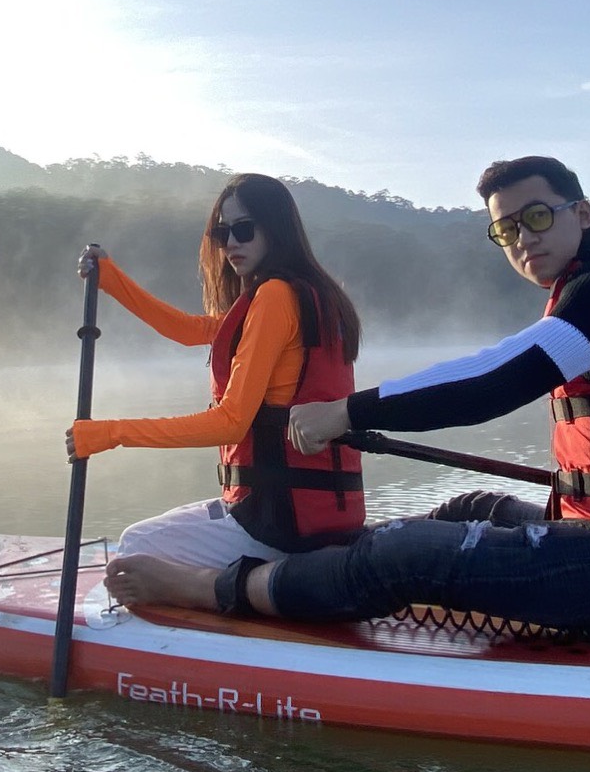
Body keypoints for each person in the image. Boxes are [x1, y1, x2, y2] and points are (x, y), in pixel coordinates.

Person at [105, 155, 590, 636]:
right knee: (468, 508)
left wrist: (349, 411)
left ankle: (212, 587)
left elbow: (492, 381)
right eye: (506, 228)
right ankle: (334, 574)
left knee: (405, 553)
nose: (523, 238)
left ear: (583, 212)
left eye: (537, 216)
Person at [71, 174, 368, 588]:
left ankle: (231, 597)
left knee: (135, 547)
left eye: (243, 229)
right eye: (222, 232)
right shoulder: (313, 294)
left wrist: (111, 433)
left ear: (275, 227)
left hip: (278, 524)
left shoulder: (276, 297)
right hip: (311, 516)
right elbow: (190, 329)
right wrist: (112, 279)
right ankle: (241, 585)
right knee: (148, 537)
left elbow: (231, 422)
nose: (230, 244)